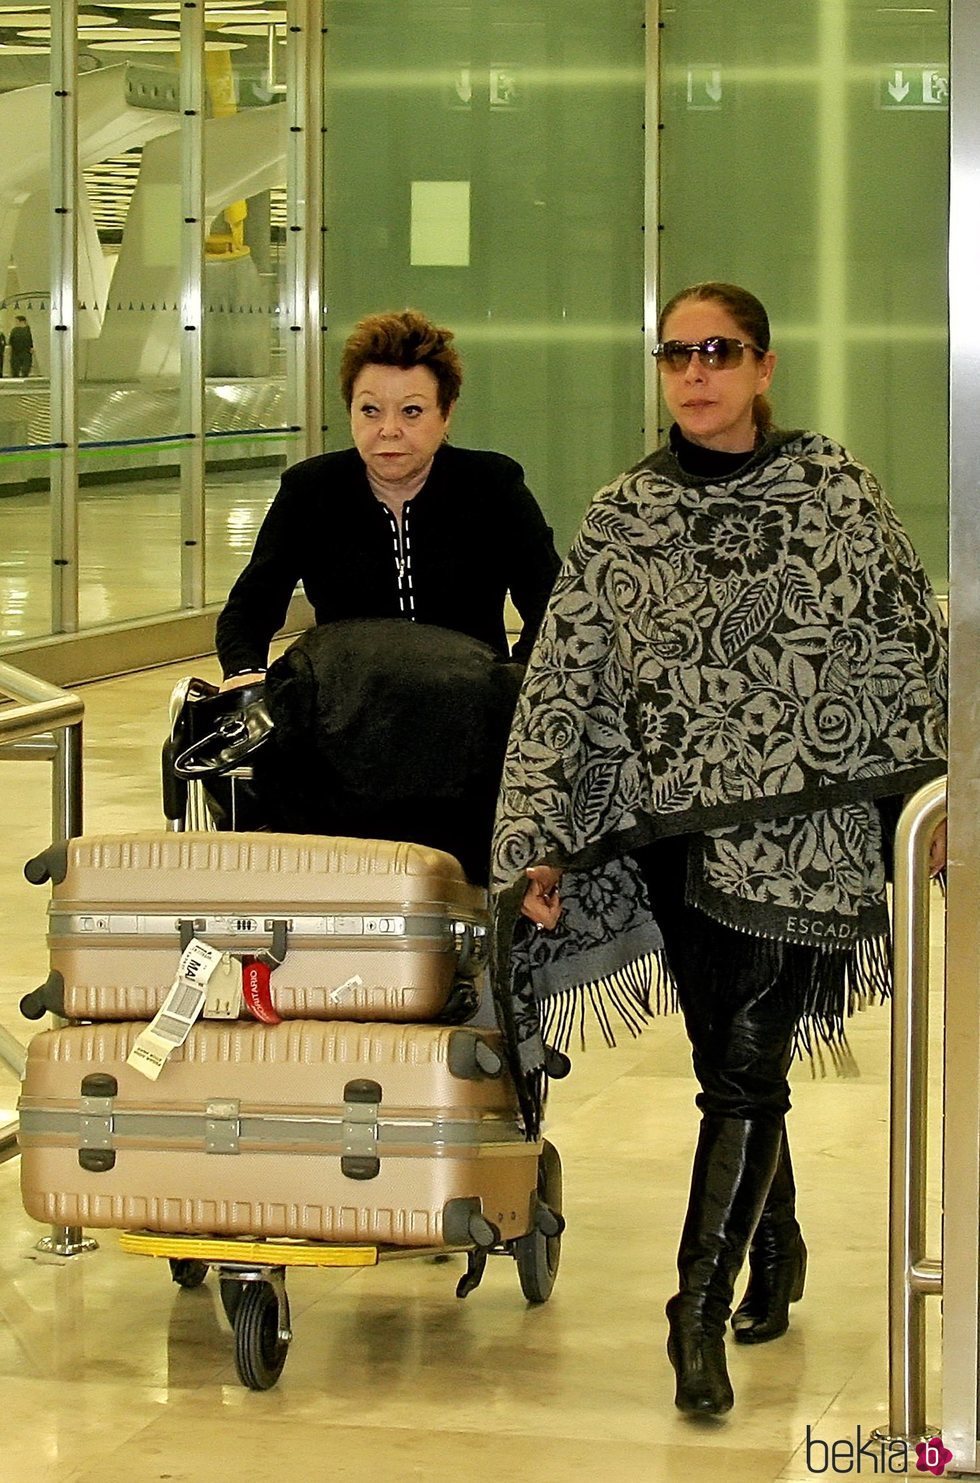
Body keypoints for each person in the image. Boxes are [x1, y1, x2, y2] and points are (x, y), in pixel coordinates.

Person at [490, 281, 948, 1418]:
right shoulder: (622, 514)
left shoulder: (829, 489)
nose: (694, 372)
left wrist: (938, 802)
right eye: (675, 354)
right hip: (670, 841)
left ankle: (693, 1313)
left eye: (718, 350)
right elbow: (562, 679)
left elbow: (900, 635)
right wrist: (540, 840)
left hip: (806, 836)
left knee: (740, 1070)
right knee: (731, 1064)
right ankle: (777, 1249)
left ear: (762, 364)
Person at [215, 307, 561, 688]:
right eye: (370, 411)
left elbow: (551, 602)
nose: (389, 430)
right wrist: (244, 673)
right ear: (350, 412)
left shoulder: (494, 485)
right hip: (346, 709)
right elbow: (251, 606)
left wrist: (521, 682)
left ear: (446, 414)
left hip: (468, 703)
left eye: (411, 411)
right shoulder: (311, 490)